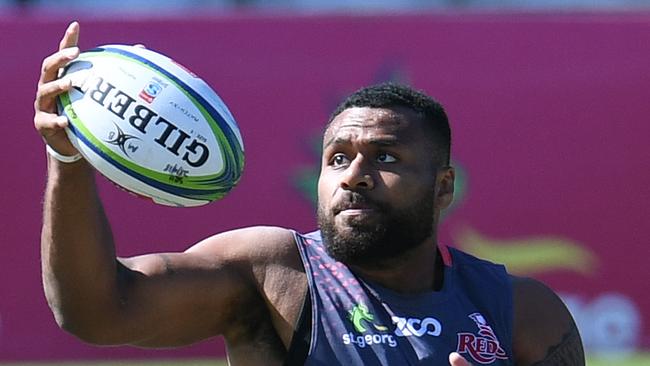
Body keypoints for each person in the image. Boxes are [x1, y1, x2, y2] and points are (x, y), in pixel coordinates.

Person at [34, 22, 585, 366]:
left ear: (444, 188)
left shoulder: (522, 311)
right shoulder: (272, 274)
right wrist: (68, 160)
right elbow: (96, 311)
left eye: (386, 158)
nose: (355, 175)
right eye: (338, 158)